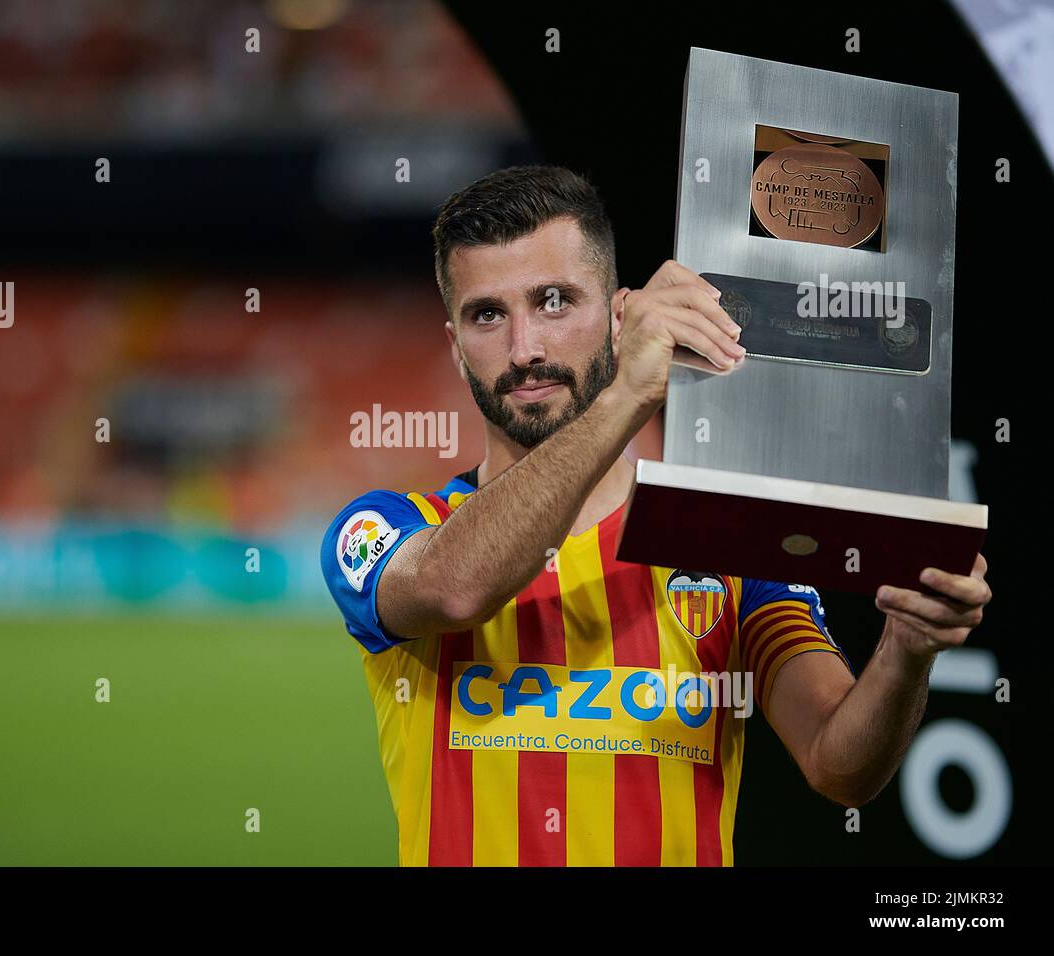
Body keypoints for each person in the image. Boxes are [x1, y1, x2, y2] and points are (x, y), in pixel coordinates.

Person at [319, 165, 991, 866]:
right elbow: (456, 588)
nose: (525, 349)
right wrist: (626, 397)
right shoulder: (382, 528)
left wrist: (908, 648)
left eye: (555, 301)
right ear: (457, 348)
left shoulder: (727, 543)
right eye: (488, 314)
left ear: (619, 318)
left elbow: (840, 767)